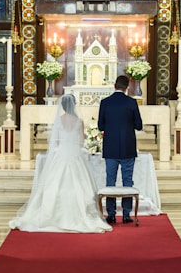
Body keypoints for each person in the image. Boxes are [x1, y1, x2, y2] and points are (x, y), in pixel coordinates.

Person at [9, 94, 112, 233]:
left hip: (61, 154)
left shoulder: (58, 120)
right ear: (74, 105)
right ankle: (79, 214)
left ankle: (53, 214)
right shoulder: (78, 121)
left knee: (55, 182)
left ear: (62, 106)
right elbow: (81, 141)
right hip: (75, 154)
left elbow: (55, 141)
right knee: (80, 183)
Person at [98, 75, 143, 224]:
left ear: (114, 86)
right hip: (128, 147)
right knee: (127, 180)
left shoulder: (105, 102)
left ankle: (111, 214)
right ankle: (126, 214)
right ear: (127, 87)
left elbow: (100, 126)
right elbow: (139, 125)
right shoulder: (131, 102)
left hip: (110, 147)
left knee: (110, 180)